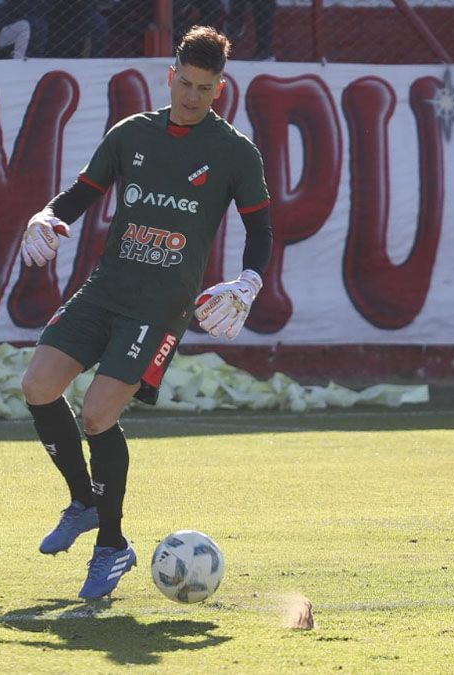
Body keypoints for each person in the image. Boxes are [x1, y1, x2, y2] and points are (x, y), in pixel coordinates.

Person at [18, 25, 272, 601]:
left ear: (219, 89)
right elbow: (80, 194)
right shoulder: (130, 134)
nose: (191, 96)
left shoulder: (234, 152)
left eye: (204, 88)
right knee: (38, 385)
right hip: (106, 288)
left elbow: (260, 227)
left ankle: (111, 547)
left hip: (161, 306)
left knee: (98, 416)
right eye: (184, 83)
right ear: (170, 77)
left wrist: (249, 281)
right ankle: (84, 502)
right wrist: (45, 217)